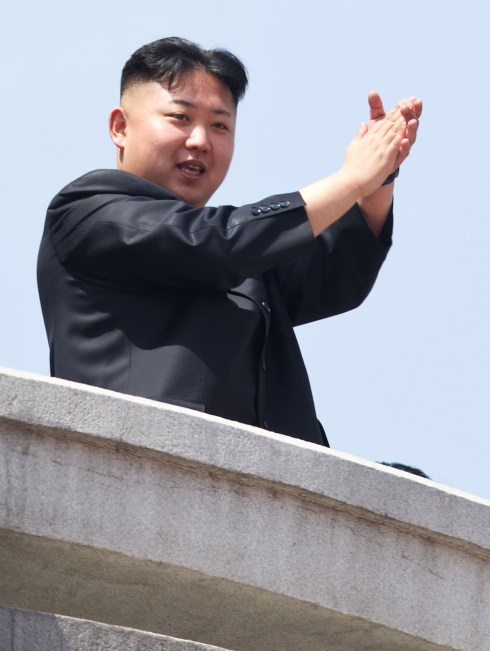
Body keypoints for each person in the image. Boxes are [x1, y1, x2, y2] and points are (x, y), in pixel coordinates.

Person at [37, 37, 421, 445]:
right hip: (141, 464)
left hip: (272, 486)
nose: (201, 140)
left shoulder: (244, 253)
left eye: (220, 125)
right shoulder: (85, 211)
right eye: (180, 118)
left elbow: (333, 277)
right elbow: (216, 242)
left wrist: (378, 179)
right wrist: (349, 180)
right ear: (120, 127)